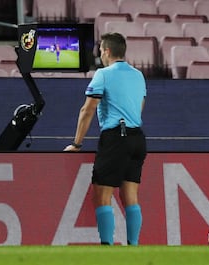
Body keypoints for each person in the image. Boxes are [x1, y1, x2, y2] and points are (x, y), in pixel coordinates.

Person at [63, 32, 147, 246]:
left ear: (107, 51)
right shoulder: (138, 75)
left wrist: (77, 143)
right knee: (130, 195)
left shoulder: (103, 74)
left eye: (100, 50)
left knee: (102, 194)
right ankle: (134, 246)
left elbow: (87, 109)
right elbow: (140, 107)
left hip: (116, 137)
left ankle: (107, 247)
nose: (99, 54)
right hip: (137, 137)